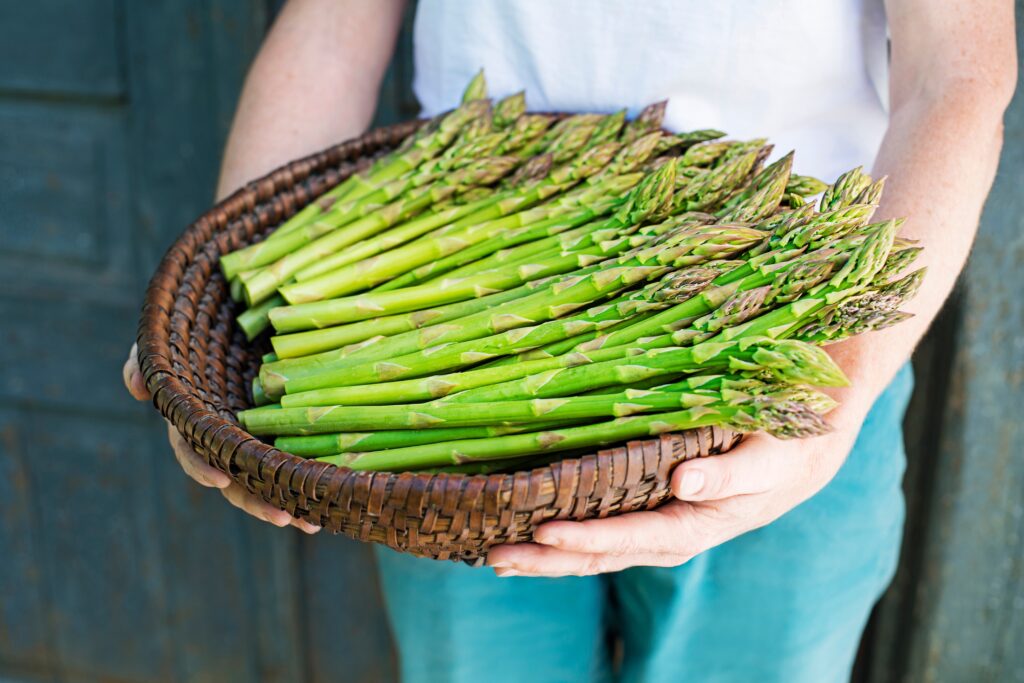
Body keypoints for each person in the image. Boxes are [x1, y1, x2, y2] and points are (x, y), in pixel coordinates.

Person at [122, 1, 1016, 680]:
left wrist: (833, 402)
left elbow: (959, 76)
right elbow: (331, 27)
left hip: (776, 349)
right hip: (435, 329)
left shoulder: (803, 379)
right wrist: (223, 302)